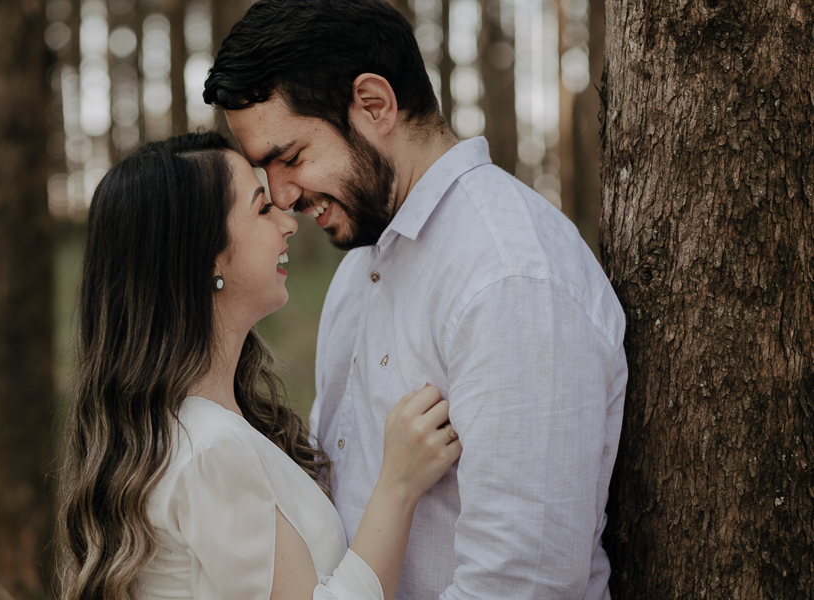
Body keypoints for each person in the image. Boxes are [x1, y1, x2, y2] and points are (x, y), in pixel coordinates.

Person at [203, 1, 628, 598]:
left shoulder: (509, 276)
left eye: (291, 157)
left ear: (374, 105)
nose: (281, 194)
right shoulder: (360, 269)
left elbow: (520, 583)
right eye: (263, 169)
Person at [57, 131, 462, 600]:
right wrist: (399, 484)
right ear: (205, 256)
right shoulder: (211, 450)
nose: (288, 223)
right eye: (262, 208)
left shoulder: (185, 429)